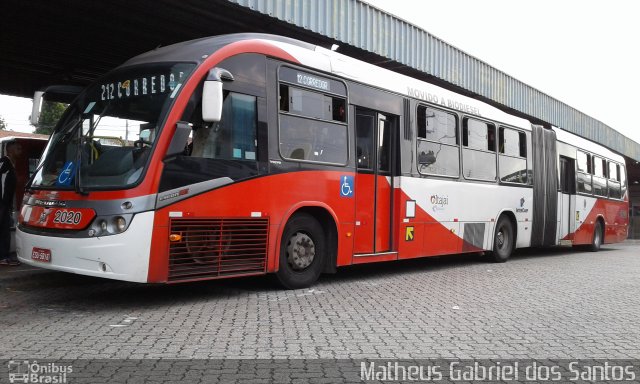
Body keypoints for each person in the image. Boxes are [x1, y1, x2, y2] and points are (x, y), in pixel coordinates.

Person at [0, 141, 22, 266]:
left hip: (5, 204)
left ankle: (3, 257)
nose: (21, 151)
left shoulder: (10, 165)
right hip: (2, 203)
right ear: (10, 151)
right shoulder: (4, 163)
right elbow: (2, 184)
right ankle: (3, 257)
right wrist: (2, 204)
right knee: (3, 230)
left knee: (5, 230)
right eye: (18, 149)